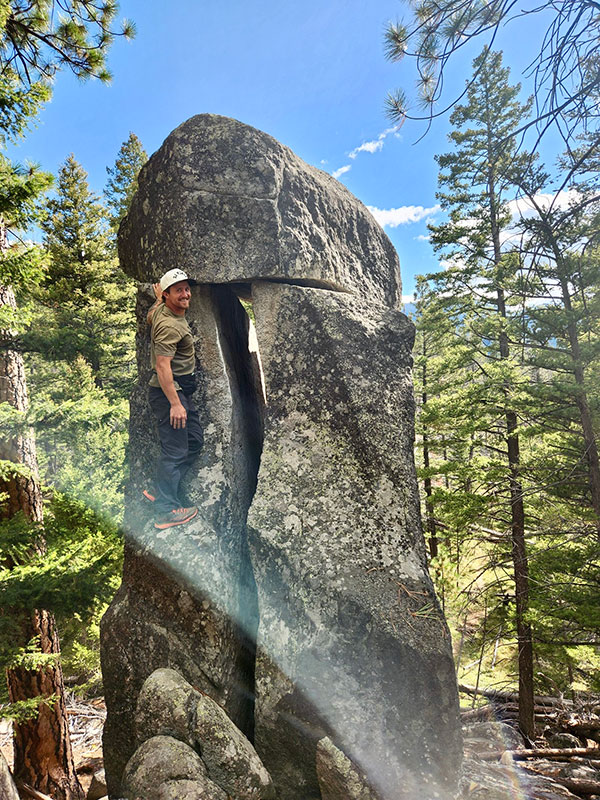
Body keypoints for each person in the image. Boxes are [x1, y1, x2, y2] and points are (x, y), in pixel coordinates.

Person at [146, 268, 203, 529]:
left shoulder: (161, 311)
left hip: (178, 390)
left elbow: (150, 316)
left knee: (193, 441)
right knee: (176, 450)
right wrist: (175, 404)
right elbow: (162, 365)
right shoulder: (169, 325)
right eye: (178, 290)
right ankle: (165, 511)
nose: (185, 293)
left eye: (187, 289)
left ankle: (161, 489)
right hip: (169, 392)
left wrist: (159, 300)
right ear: (168, 294)